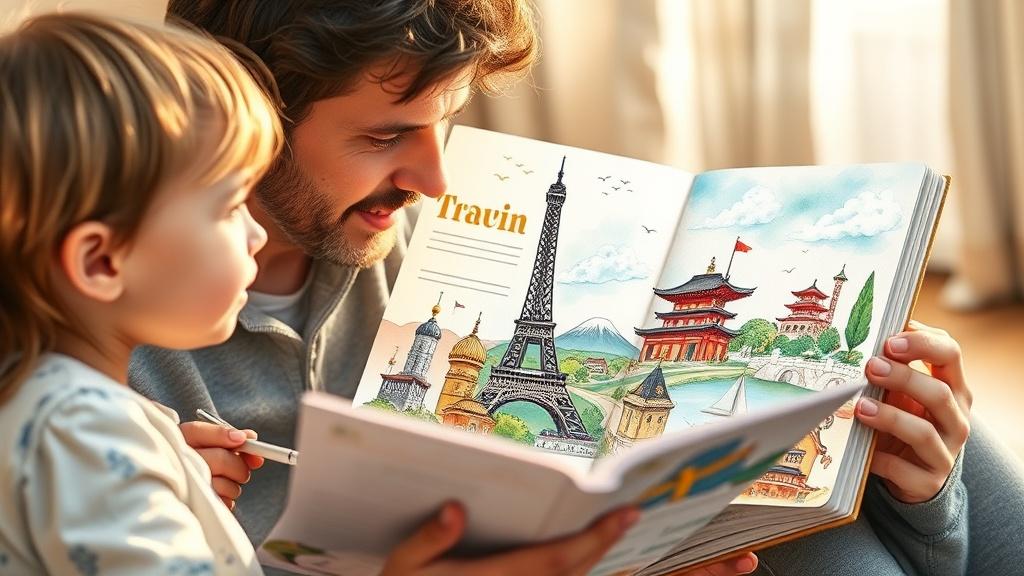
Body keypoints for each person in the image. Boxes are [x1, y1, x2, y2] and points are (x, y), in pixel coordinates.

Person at [131, 2, 1022, 575]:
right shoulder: (103, 351)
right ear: (238, 112)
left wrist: (927, 502)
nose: (438, 179)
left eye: (447, 122)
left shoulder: (431, 244)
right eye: (384, 137)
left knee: (885, 398)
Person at [0, 12, 283, 574]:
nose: (259, 235)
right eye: (231, 207)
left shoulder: (61, 415)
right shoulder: (85, 430)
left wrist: (178, 481)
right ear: (101, 261)